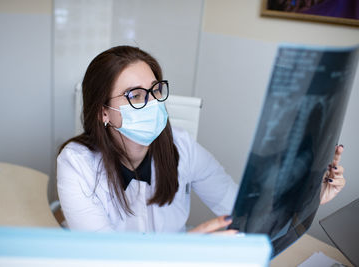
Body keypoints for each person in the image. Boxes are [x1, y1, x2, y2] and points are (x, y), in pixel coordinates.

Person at [57, 45, 345, 234]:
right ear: (103, 113)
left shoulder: (181, 147)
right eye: (135, 95)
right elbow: (105, 259)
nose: (153, 103)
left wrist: (310, 194)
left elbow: (240, 211)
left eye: (156, 90)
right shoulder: (76, 164)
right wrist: (186, 249)